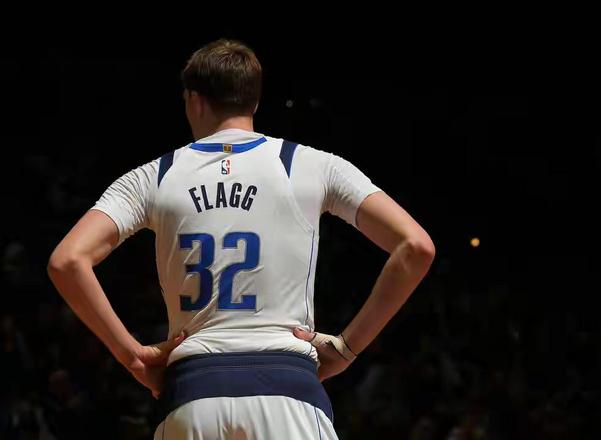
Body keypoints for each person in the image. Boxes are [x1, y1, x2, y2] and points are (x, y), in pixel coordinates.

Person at [47, 38, 435, 439]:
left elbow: (67, 261)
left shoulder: (154, 176)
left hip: (192, 391)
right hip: (288, 388)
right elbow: (415, 247)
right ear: (255, 101)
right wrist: (348, 349)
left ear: (193, 100)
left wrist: (132, 356)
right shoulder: (310, 165)